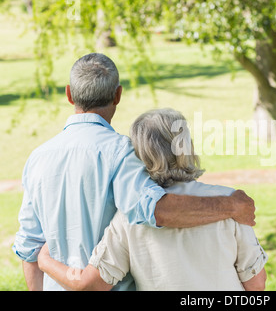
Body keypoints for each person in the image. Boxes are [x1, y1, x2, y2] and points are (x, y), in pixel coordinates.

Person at [13, 53, 256, 291]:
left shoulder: (37, 158)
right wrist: (230, 207)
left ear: (69, 94)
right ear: (118, 95)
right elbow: (157, 210)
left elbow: (29, 248)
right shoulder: (121, 151)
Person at [38, 108, 268, 291]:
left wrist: (45, 259)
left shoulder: (128, 219)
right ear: (187, 147)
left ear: (138, 155)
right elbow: (256, 284)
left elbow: (90, 285)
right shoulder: (233, 205)